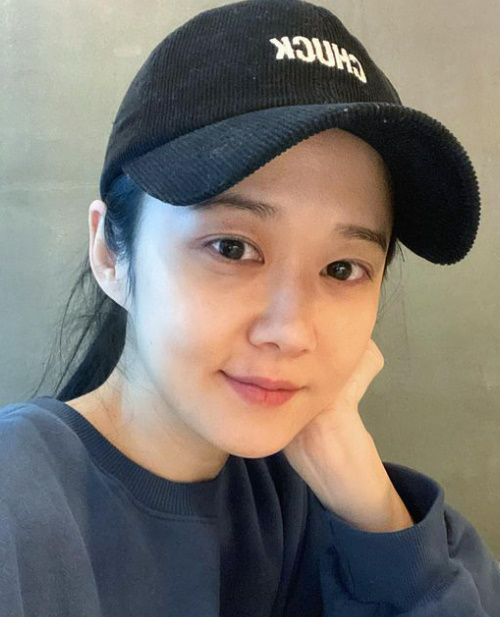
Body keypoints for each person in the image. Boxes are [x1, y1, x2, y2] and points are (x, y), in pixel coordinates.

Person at [1, 0, 499, 615]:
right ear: (110, 251)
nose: (290, 331)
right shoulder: (18, 506)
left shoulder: (349, 515)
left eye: (342, 268)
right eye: (232, 248)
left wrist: (369, 504)